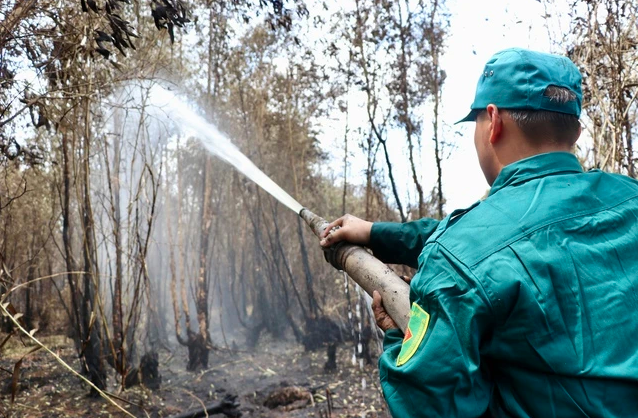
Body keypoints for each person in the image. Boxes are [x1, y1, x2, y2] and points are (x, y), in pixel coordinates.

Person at [319, 47, 638, 417]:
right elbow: (488, 246)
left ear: (493, 121)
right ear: (577, 130)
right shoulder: (628, 198)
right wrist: (374, 232)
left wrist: (400, 339)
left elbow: (429, 402)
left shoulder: (462, 252)